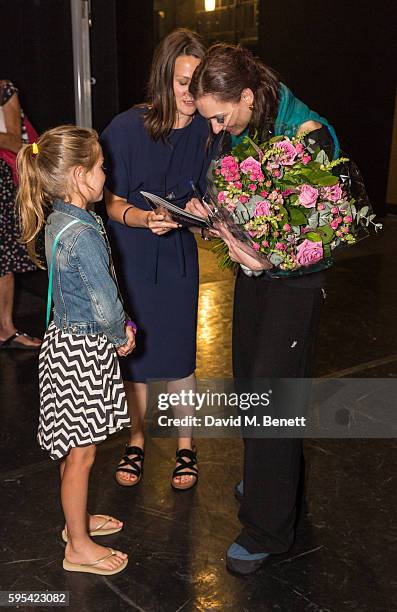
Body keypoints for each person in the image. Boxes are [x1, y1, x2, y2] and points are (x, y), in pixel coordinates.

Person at [187, 43, 339, 574]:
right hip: (256, 276)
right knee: (251, 382)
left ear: (246, 96)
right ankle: (271, 476)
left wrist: (263, 247)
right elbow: (245, 199)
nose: (217, 129)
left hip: (295, 285)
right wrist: (215, 213)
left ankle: (269, 530)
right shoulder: (249, 126)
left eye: (219, 116)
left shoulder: (307, 134)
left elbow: (323, 229)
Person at [16, 125, 136, 575]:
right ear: (82, 176)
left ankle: (76, 521)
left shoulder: (64, 219)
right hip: (84, 350)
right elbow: (103, 299)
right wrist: (121, 331)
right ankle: (78, 546)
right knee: (82, 454)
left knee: (74, 450)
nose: (108, 173)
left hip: (69, 345)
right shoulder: (81, 232)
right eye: (102, 166)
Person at [101, 29, 214, 491]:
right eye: (183, 82)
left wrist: (203, 214)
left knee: (181, 357)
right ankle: (137, 439)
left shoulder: (211, 130)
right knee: (135, 357)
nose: (190, 93)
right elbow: (107, 200)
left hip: (178, 258)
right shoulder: (125, 129)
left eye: (198, 82)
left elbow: (216, 197)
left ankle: (186, 447)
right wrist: (141, 218)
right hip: (133, 253)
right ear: (164, 78)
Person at [0, 80, 41, 349]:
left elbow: (17, 142)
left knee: (2, 258)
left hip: (1, 181)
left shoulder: (4, 90)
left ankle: (5, 329)